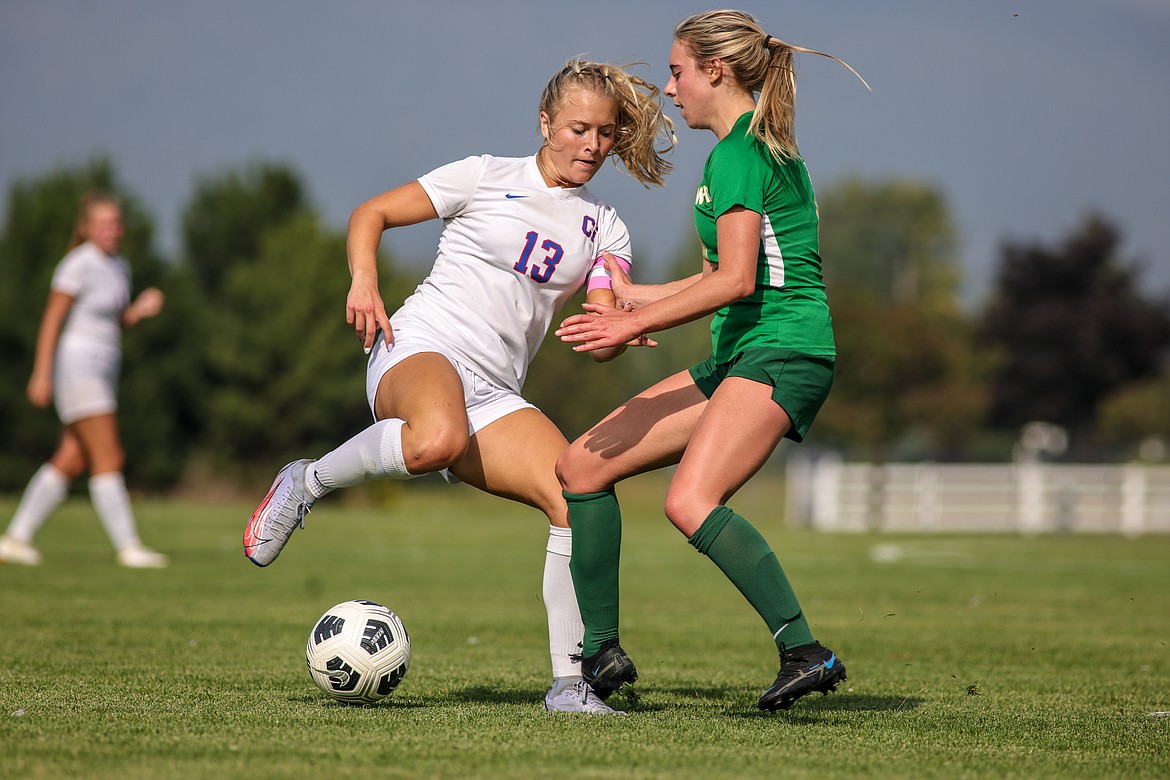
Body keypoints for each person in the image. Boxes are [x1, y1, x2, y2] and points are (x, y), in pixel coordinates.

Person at [243, 60, 674, 715]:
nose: (592, 144)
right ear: (545, 124)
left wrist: (620, 327)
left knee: (575, 498)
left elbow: (604, 306)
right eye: (579, 128)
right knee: (436, 437)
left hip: (496, 392)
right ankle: (307, 483)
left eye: (606, 133)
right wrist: (363, 282)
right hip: (419, 348)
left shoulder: (605, 227)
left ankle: (569, 686)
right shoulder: (483, 175)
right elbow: (371, 214)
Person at [554, 10, 866, 711]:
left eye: (677, 72)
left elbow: (738, 282)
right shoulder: (736, 151)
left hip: (785, 350)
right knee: (582, 465)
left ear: (714, 71)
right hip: (742, 356)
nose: (668, 90)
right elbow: (715, 275)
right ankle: (601, 654)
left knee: (690, 502)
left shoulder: (741, 153)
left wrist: (623, 326)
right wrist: (634, 300)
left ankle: (804, 650)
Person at [0, 193, 168, 569]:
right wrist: (41, 372)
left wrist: (138, 311)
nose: (112, 230)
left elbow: (112, 322)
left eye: (116, 223)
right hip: (78, 366)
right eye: (103, 223)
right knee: (109, 455)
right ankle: (129, 546)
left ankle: (14, 539)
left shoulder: (119, 265)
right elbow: (52, 320)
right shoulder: (77, 264)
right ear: (86, 227)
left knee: (72, 457)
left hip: (105, 368)